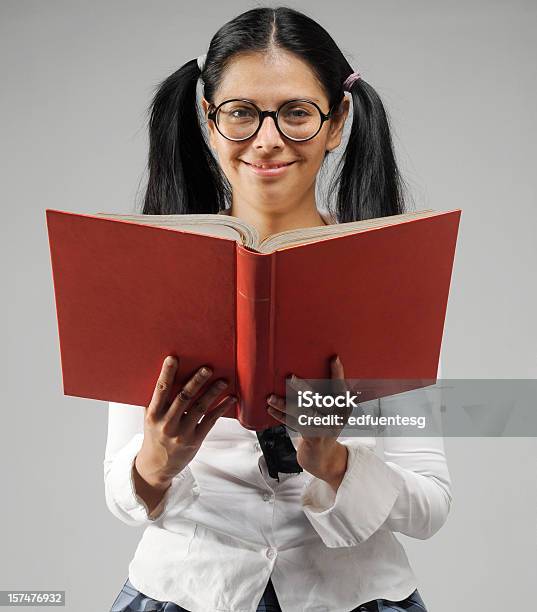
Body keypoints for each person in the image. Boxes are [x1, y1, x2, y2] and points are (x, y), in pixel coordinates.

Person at [105, 6, 452, 612]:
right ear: (208, 120)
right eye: (241, 113)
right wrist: (157, 462)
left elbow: (431, 504)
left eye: (296, 113)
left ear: (337, 121)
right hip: (182, 594)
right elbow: (121, 487)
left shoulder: (386, 274)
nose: (267, 140)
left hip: (356, 596)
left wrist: (335, 460)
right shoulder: (153, 268)